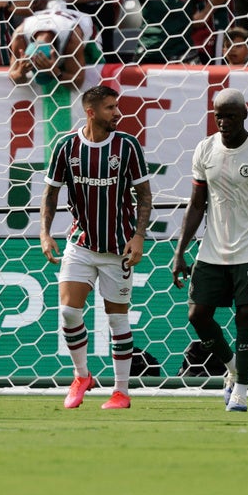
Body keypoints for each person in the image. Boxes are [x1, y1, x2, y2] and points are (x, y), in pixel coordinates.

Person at [171, 88, 248, 413]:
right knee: (197, 315)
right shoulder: (205, 149)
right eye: (218, 116)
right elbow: (196, 205)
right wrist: (180, 252)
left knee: (246, 314)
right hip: (212, 250)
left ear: (245, 114)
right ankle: (233, 367)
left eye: (230, 116)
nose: (223, 122)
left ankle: (242, 391)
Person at [39, 84, 152, 410]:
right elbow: (50, 194)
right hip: (81, 244)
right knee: (68, 311)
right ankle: (82, 376)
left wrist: (139, 236)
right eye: (110, 108)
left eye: (117, 106)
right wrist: (45, 233)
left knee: (117, 320)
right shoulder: (67, 147)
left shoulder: (127, 146)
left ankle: (121, 391)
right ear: (91, 112)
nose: (117, 113)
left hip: (118, 248)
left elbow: (144, 195)